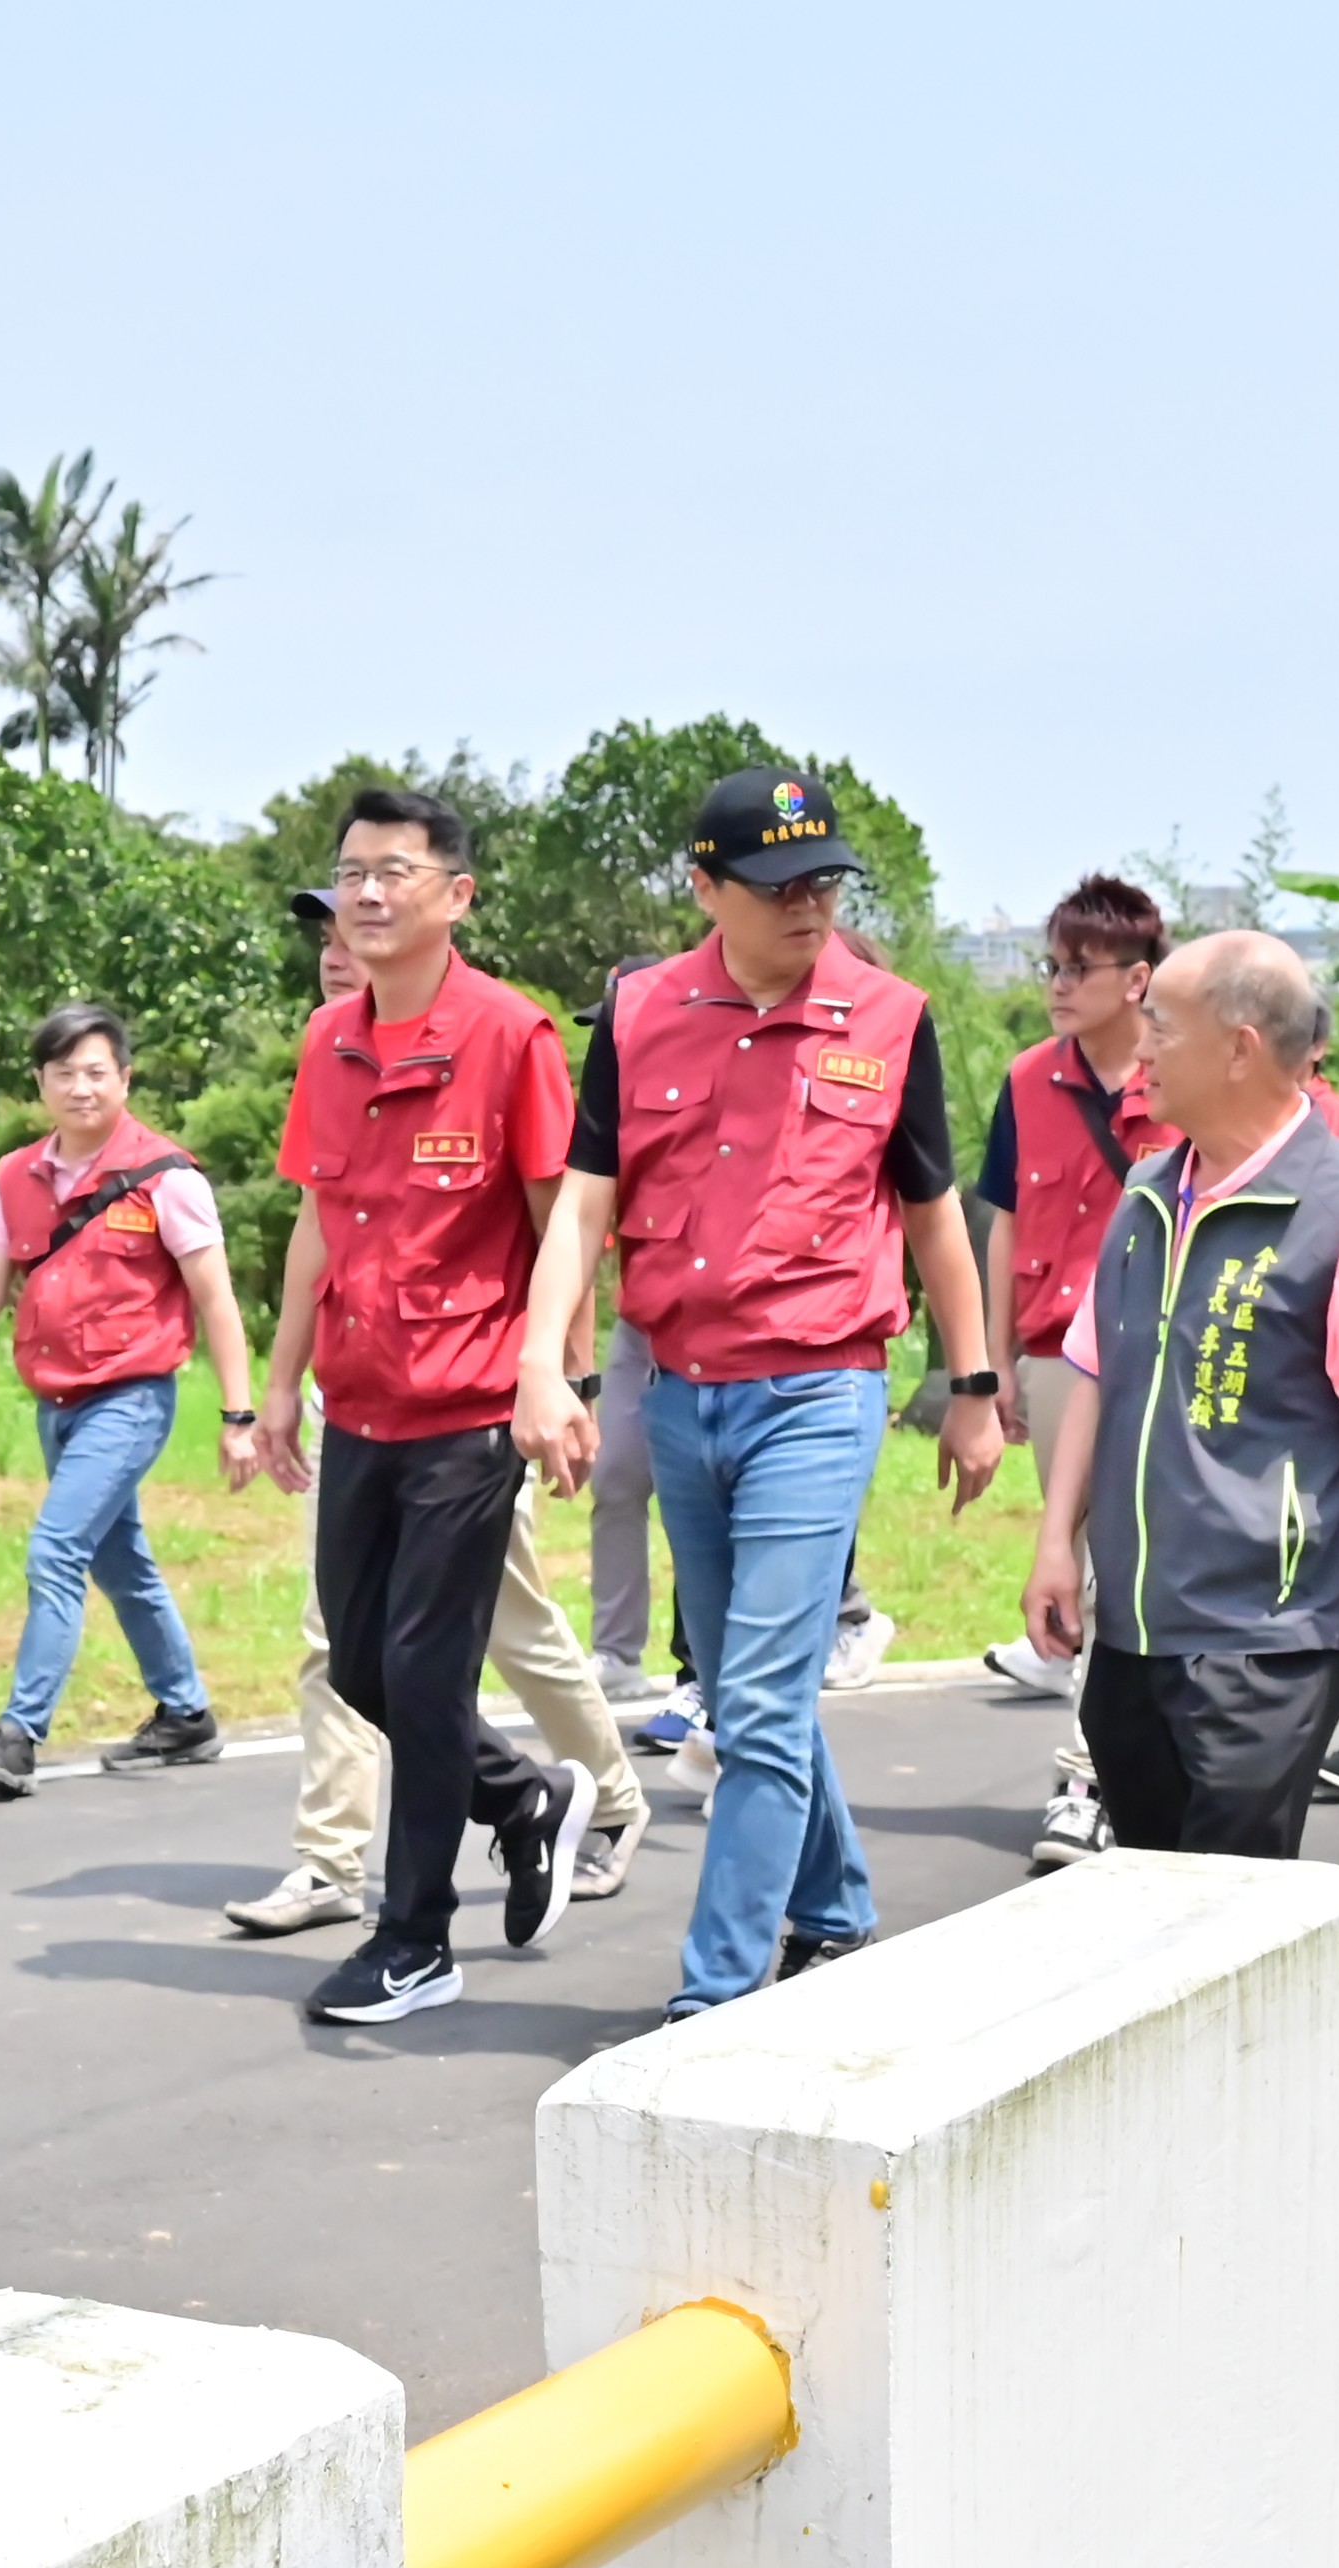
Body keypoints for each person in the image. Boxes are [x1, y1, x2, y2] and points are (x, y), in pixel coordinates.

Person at [509, 769, 1004, 2014]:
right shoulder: (637, 1014)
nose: (810, 907)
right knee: (736, 1688)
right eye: (779, 886)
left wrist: (974, 1382)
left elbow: (934, 1215)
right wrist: (541, 1364)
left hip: (820, 1390)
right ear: (706, 888)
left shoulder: (890, 1016)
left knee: (766, 1705)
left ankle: (712, 1996)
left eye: (825, 881)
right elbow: (583, 1202)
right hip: (680, 1390)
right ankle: (833, 1908)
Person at [248, 786, 598, 2022]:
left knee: (426, 1664)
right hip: (361, 1396)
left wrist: (559, 1374)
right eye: (352, 872)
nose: (368, 893)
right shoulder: (328, 1041)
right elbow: (311, 1220)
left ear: (455, 895)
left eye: (395, 871)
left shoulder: (512, 1037)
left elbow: (567, 1221)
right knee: (356, 1657)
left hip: (470, 1400)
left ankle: (413, 1938)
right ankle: (519, 1796)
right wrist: (278, 1380)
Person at [1021, 933, 1339, 1845]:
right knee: (1153, 1889)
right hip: (1139, 1628)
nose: (1141, 1050)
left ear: (1240, 1047)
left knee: (1232, 1903)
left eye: (1162, 1028)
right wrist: (1056, 1546)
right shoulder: (1146, 1194)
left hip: (1273, 1636)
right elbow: (1096, 1374)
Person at [0, 1002, 253, 1794]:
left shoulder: (167, 1177)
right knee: (118, 1558)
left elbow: (217, 1299)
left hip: (131, 1398)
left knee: (55, 1550)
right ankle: (186, 1713)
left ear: (124, 1079)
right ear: (41, 1082)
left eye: (96, 1072)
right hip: (55, 1403)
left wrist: (238, 1416)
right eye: (63, 1072)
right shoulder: (16, 1176)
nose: (80, 1087)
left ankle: (18, 1734)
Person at [973, 875, 1172, 1864]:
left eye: (1078, 968)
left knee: (1154, 1563)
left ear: (1137, 980)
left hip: (1170, 1352)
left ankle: (1136, 1765)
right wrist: (991, 1355)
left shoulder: (1187, 1072)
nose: (1057, 984)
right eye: (1050, 965)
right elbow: (1005, 1219)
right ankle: (1085, 1777)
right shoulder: (1023, 1080)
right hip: (1058, 1348)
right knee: (1087, 1567)